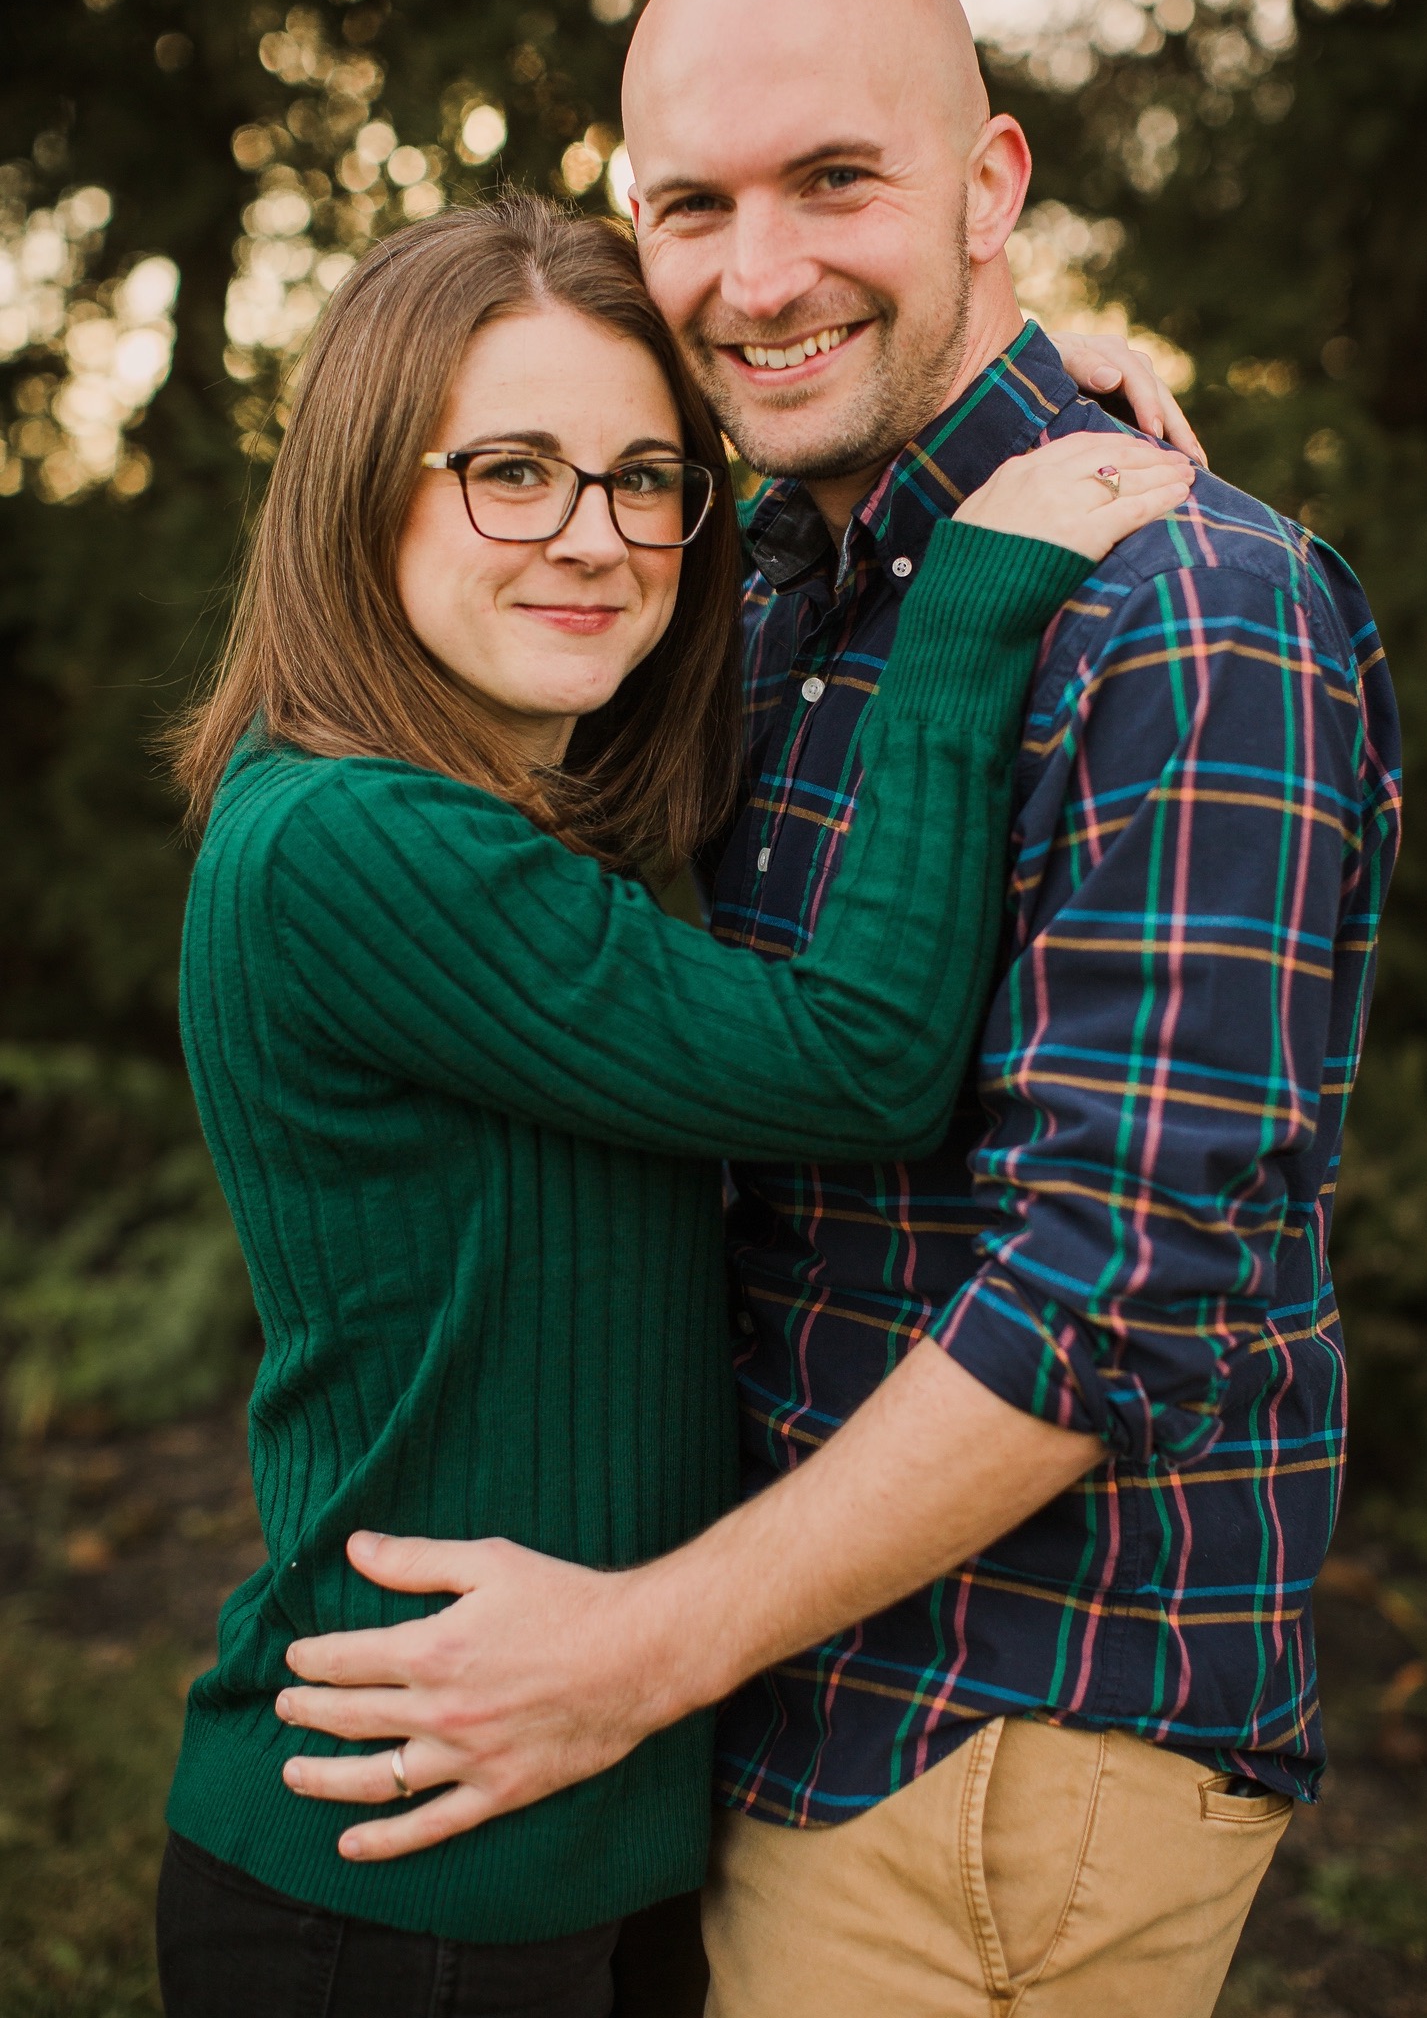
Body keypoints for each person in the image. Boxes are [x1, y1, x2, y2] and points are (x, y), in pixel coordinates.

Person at [275, 0, 1403, 2017]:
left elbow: (1120, 1273)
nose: (760, 271)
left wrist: (641, 1648)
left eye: (837, 181)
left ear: (992, 188)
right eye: (693, 204)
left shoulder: (1190, 617)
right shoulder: (775, 571)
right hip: (765, 1707)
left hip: (999, 1732)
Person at [155, 188, 1189, 2018]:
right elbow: (855, 1060)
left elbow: (757, 564)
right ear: (363, 486)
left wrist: (1001, 406)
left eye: (647, 477)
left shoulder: (513, 811)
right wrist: (972, 600)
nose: (595, 536)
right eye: (512, 471)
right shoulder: (352, 841)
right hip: (399, 1878)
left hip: (571, 1830)